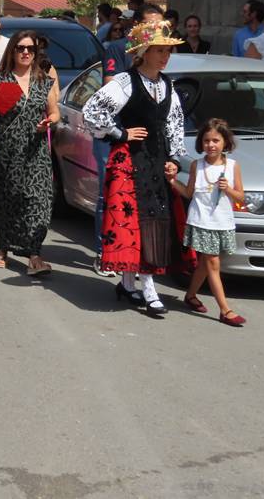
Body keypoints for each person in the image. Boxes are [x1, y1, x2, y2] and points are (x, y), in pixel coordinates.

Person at [82, 19, 186, 315]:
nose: (165, 56)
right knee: (132, 222)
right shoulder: (126, 82)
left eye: (167, 51)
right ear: (144, 53)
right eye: (159, 50)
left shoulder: (167, 84)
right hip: (129, 161)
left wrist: (174, 158)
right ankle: (147, 288)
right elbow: (92, 112)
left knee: (153, 221)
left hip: (155, 160)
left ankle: (130, 284)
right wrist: (120, 133)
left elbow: (175, 123)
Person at [0, 30, 59, 275]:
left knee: (39, 202)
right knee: (8, 201)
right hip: (8, 152)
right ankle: (3, 249)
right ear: (13, 51)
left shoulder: (43, 80)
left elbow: (54, 111)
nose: (26, 52)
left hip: (36, 152)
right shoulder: (2, 81)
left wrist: (49, 122)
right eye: (21, 48)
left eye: (30, 49)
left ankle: (34, 255)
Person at [168, 119, 246, 326]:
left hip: (223, 222)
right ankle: (225, 310)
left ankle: (190, 295)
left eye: (215, 140)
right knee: (212, 263)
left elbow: (240, 197)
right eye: (206, 141)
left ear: (225, 143)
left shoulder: (232, 166)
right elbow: (189, 192)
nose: (210, 145)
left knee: (204, 263)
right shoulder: (197, 165)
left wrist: (227, 189)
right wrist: (173, 182)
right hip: (201, 221)